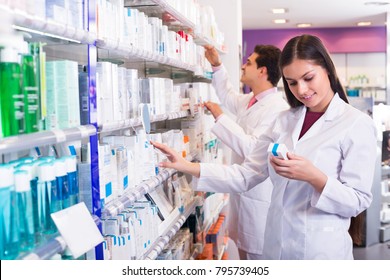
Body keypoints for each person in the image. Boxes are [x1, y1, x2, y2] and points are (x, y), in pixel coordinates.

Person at [152, 34, 377, 259]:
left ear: (327, 69)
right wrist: (186, 166)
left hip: (321, 251)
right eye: (292, 82)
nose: (301, 90)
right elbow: (245, 174)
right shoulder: (283, 120)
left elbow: (357, 200)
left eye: (309, 78)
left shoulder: (356, 124)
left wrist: (314, 177)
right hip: (275, 245)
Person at [202, 44, 289, 260]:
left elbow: (254, 149)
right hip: (243, 197)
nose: (243, 66)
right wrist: (216, 64)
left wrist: (221, 118)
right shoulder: (250, 100)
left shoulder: (276, 108)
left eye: (248, 62)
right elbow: (228, 95)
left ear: (262, 71)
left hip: (258, 201)